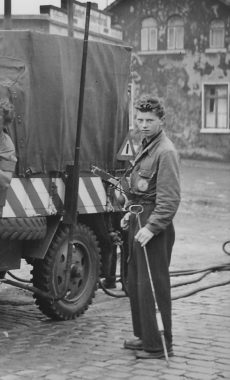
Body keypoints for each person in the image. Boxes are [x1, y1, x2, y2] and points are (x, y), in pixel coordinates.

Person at [121, 95, 180, 360]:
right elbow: (138, 189)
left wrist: (152, 227)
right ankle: (144, 335)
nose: (143, 125)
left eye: (149, 120)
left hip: (153, 225)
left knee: (153, 286)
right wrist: (129, 214)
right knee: (136, 283)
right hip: (139, 218)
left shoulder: (165, 151)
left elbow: (169, 199)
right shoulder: (147, 146)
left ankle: (158, 346)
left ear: (161, 121)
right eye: (140, 119)